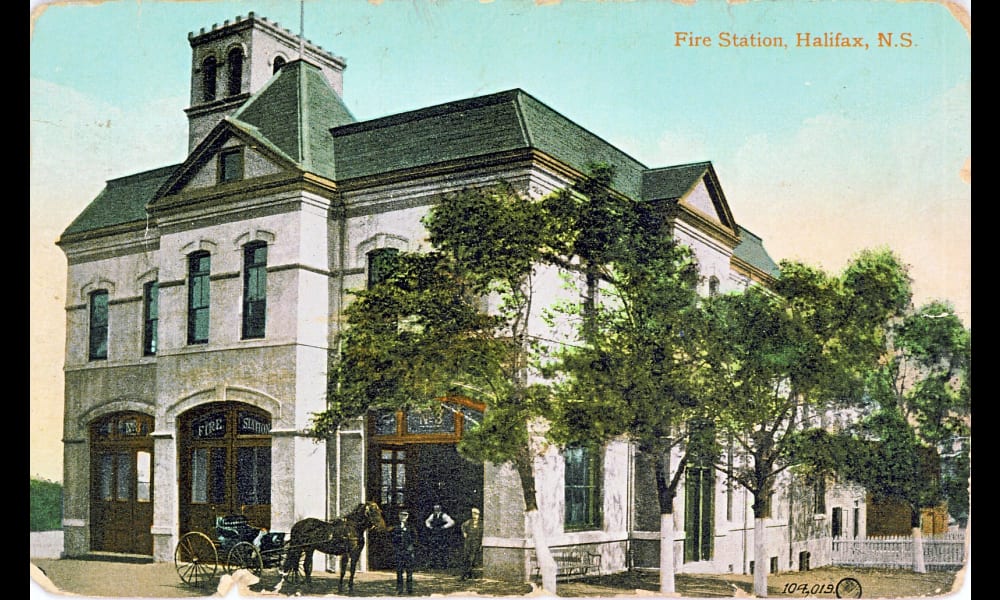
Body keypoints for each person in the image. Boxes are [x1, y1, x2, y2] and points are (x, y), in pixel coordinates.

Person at [390, 509, 418, 595]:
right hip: (399, 551)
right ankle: (399, 589)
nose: (403, 517)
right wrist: (395, 546)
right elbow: (392, 538)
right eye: (402, 515)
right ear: (399, 516)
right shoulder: (395, 527)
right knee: (399, 571)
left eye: (405, 515)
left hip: (408, 551)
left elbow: (415, 538)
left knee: (409, 571)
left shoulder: (411, 526)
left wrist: (411, 547)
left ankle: (409, 589)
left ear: (408, 516)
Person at [423, 503, 455, 569]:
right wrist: (429, 526)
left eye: (437, 507)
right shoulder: (433, 515)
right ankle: (434, 564)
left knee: (443, 548)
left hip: (442, 534)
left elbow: (451, 522)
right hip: (435, 533)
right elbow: (427, 521)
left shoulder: (444, 515)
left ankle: (444, 564)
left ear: (440, 508)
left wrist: (444, 527)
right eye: (435, 507)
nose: (436, 509)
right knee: (434, 548)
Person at [460, 508, 483, 580]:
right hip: (468, 541)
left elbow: (482, 534)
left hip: (476, 542)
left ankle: (467, 574)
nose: (475, 515)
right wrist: (464, 533)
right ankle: (467, 573)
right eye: (473, 514)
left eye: (476, 514)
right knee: (466, 556)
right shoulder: (469, 522)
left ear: (479, 515)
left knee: (473, 558)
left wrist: (481, 544)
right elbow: (463, 526)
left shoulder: (481, 524)